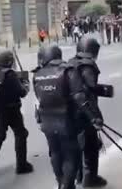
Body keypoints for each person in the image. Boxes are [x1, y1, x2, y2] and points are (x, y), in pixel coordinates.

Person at [33, 44, 103, 189]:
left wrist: (39, 119)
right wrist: (93, 118)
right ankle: (67, 185)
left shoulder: (37, 74)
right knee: (72, 155)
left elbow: (38, 99)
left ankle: (61, 182)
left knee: (55, 153)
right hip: (66, 121)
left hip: (46, 122)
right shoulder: (68, 71)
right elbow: (79, 97)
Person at [0, 48, 33, 176]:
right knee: (21, 134)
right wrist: (25, 83)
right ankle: (21, 165)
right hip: (13, 109)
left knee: (0, 134)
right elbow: (22, 93)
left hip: (0, 109)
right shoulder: (10, 74)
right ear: (9, 61)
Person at [68, 38, 108, 187]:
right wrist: (96, 117)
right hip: (84, 111)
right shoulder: (88, 66)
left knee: (78, 144)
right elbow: (89, 91)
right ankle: (91, 179)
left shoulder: (70, 62)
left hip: (70, 111)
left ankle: (79, 176)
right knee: (91, 146)